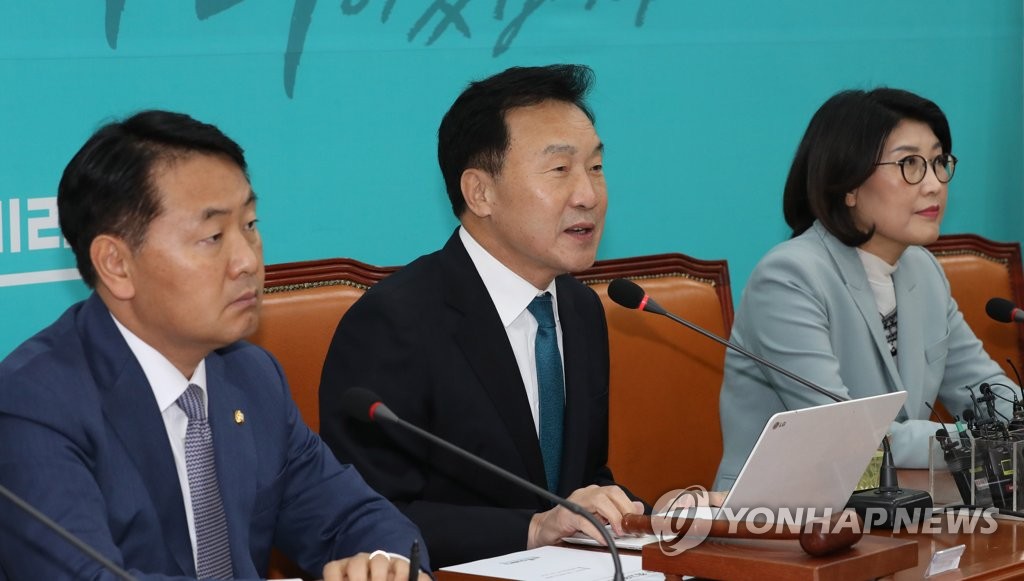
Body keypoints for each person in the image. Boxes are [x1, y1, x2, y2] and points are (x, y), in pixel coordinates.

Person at [0, 110, 430, 580]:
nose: (247, 260)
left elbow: (355, 519)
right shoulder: (34, 404)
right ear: (116, 265)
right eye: (212, 237)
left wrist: (387, 566)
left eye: (250, 225)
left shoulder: (251, 376)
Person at [318, 64, 644, 568]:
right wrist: (531, 529)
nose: (588, 195)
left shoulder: (580, 309)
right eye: (560, 170)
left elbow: (581, 482)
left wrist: (663, 516)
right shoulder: (392, 324)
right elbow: (364, 519)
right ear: (480, 193)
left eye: (596, 167)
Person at [714, 88, 1018, 489]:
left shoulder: (923, 271)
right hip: (781, 512)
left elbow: (985, 391)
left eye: (938, 161)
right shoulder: (789, 278)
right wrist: (983, 441)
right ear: (849, 185)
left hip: (892, 501)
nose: (933, 184)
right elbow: (845, 438)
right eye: (910, 163)